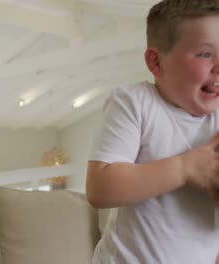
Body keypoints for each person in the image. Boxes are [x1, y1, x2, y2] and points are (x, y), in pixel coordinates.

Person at [86, 0, 219, 263]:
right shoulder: (135, 103)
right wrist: (185, 168)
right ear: (157, 62)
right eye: (206, 54)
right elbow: (100, 188)